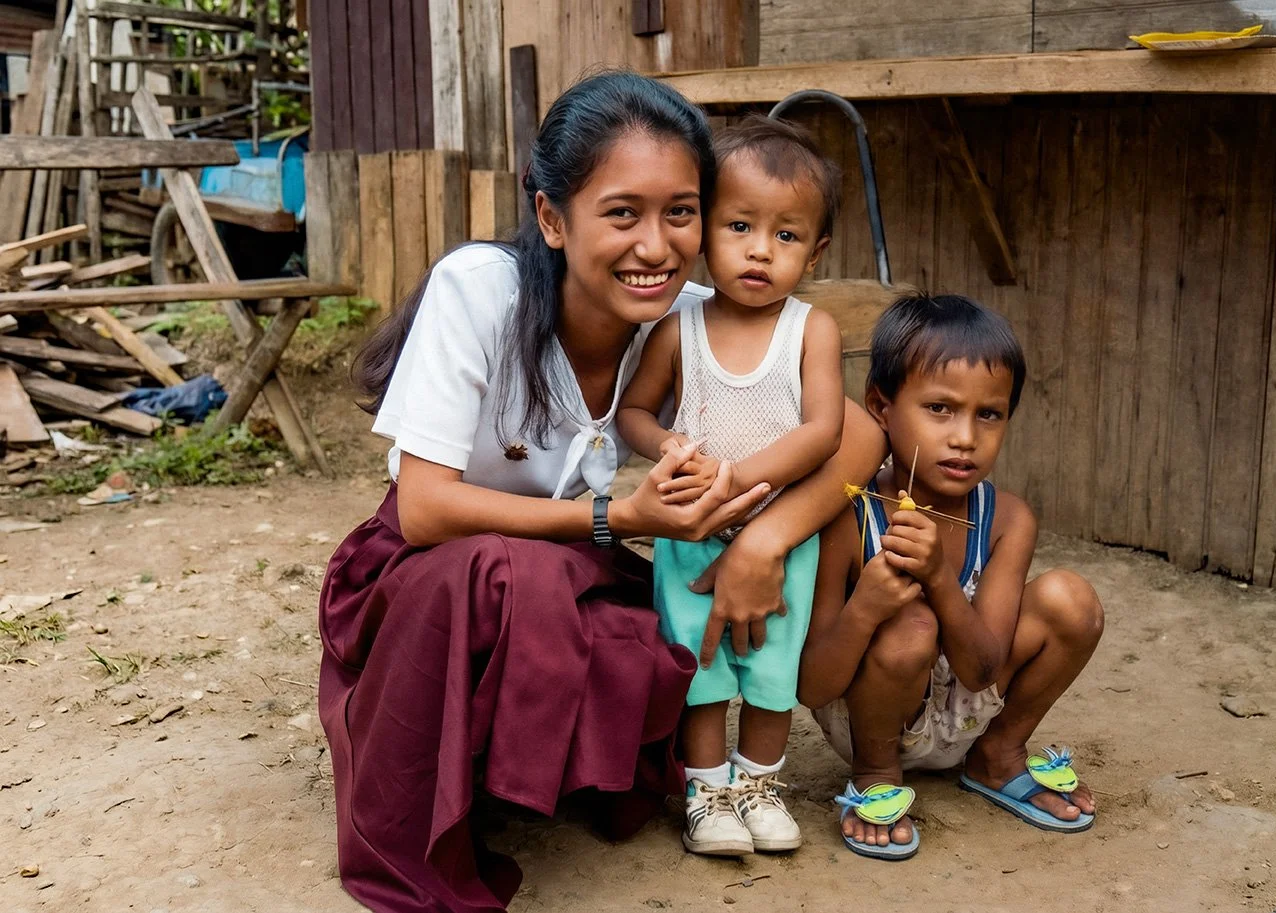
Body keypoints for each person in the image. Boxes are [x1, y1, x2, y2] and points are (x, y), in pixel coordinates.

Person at [318, 71, 885, 913]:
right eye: (622, 213)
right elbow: (424, 509)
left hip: (568, 565)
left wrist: (765, 541)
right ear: (552, 216)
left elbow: (862, 438)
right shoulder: (479, 289)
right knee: (511, 576)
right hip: (425, 579)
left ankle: (534, 773)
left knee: (640, 625)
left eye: (681, 213)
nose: (654, 246)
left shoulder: (690, 313)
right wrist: (621, 514)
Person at [798, 294, 1104, 861]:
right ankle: (875, 775)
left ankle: (998, 756)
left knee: (1073, 601)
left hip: (969, 705)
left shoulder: (1006, 519)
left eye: (988, 414)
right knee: (909, 623)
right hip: (868, 718)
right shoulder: (849, 513)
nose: (965, 436)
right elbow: (811, 687)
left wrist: (940, 577)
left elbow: (983, 668)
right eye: (940, 408)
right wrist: (866, 607)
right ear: (881, 407)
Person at [617, 116, 844, 857]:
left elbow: (823, 432)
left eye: (786, 235)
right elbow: (634, 413)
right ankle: (708, 792)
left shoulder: (812, 331)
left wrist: (737, 479)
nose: (759, 250)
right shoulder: (677, 328)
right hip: (688, 532)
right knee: (701, 665)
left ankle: (761, 785)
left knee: (772, 665)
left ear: (817, 250)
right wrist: (668, 444)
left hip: (785, 538)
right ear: (705, 229)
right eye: (740, 225)